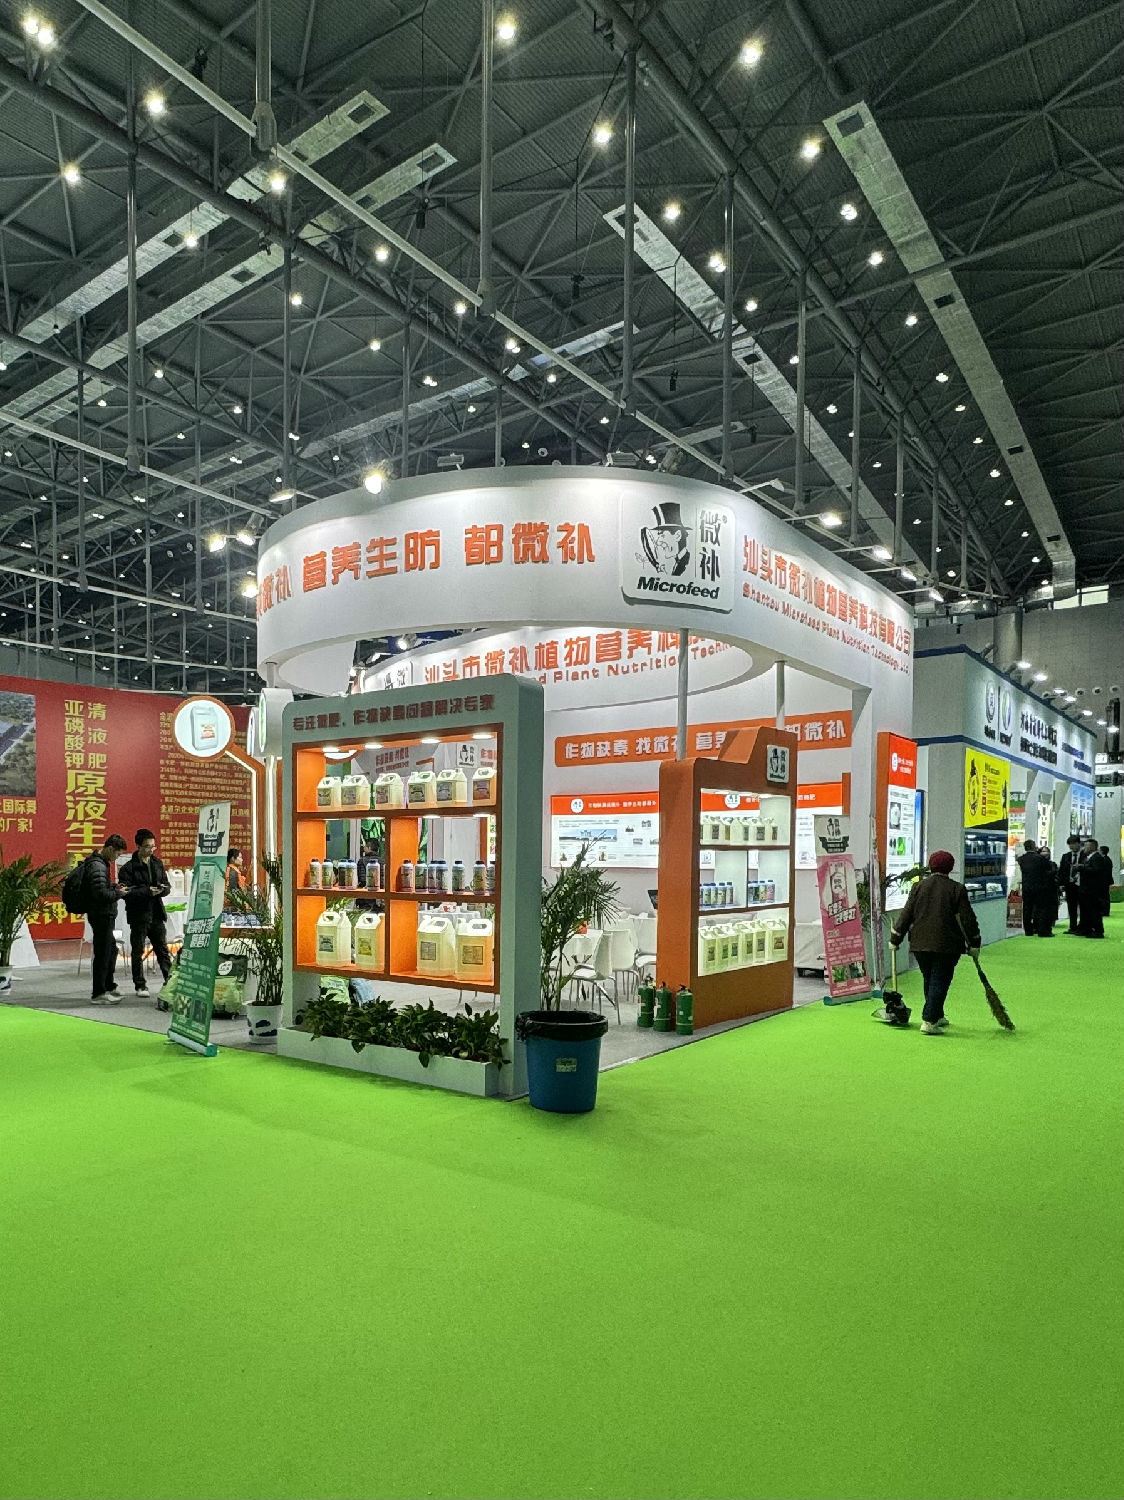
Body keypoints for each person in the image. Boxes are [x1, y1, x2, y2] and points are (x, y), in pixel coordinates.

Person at [890, 849, 981, 1035]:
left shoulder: (918, 887)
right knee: (940, 980)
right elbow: (967, 919)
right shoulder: (956, 889)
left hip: (920, 944)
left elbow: (906, 915)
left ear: (930, 866)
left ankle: (937, 1015)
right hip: (947, 945)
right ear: (950, 867)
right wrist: (974, 942)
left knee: (930, 979)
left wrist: (895, 938)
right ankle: (929, 1020)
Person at [118, 828, 172, 995]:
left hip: (156, 912)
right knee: (138, 951)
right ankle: (140, 984)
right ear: (138, 846)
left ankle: (170, 982)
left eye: (153, 846)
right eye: (147, 846)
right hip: (138, 914)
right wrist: (147, 891)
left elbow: (167, 885)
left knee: (162, 950)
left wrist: (162, 890)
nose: (151, 850)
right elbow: (126, 893)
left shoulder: (157, 863)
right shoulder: (128, 868)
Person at [85, 833, 128, 1005]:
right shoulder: (97, 866)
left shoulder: (100, 863)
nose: (117, 857)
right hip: (101, 915)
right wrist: (118, 893)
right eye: (117, 853)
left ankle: (108, 985)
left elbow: (102, 887)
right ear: (110, 848)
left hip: (103, 914)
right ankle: (98, 993)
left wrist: (114, 887)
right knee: (102, 954)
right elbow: (100, 894)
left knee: (110, 950)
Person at [1016, 839, 1057, 937]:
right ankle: (1042, 930)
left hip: (1026, 887)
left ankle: (1028, 930)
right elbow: (1048, 870)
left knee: (1027, 909)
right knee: (1041, 908)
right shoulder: (1040, 858)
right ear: (1034, 846)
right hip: (1040, 887)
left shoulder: (1021, 859)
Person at [1076, 838, 1111, 938]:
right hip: (1086, 889)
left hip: (1092, 890)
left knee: (1094, 911)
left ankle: (1098, 931)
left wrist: (1082, 867)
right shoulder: (1089, 857)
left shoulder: (1097, 858)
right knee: (1086, 910)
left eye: (1086, 846)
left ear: (1092, 847)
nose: (1084, 848)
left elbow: (1097, 870)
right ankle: (1086, 929)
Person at [1057, 834, 1083, 934]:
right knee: (1071, 907)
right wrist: (1061, 884)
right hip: (1069, 885)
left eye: (1073, 844)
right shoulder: (1066, 856)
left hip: (1081, 885)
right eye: (1070, 844)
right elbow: (1062, 871)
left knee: (1083, 907)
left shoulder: (1084, 855)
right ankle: (1073, 927)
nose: (1071, 846)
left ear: (1079, 844)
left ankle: (1082, 927)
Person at [1099, 847, 1115, 918]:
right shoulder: (1107, 859)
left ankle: (1104, 911)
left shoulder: (1105, 860)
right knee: (1105, 896)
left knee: (1104, 896)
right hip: (1106, 881)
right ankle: (1105, 911)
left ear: (1102, 851)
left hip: (1104, 881)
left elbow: (1104, 872)